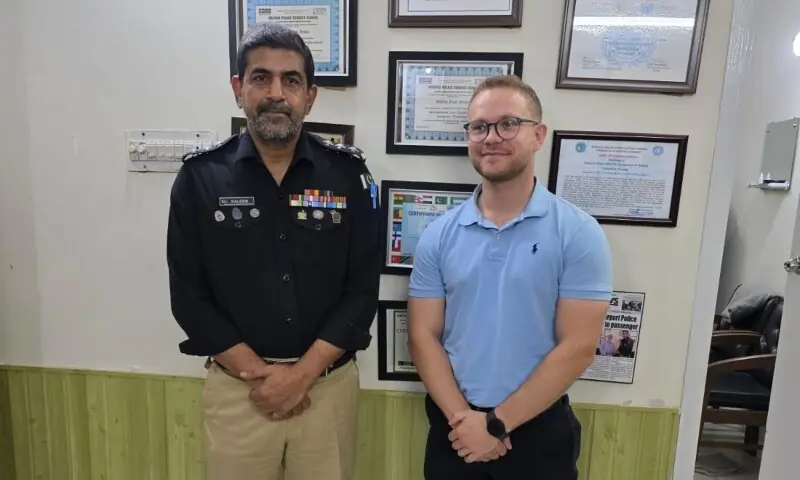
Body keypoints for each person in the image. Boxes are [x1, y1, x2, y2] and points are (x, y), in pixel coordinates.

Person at [166, 22, 381, 480]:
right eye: (261, 78)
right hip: (238, 390)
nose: (276, 93)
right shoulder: (200, 179)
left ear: (311, 95)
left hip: (327, 390)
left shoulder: (347, 176)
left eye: (291, 80)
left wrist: (300, 376)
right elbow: (189, 297)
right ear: (238, 88)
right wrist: (263, 379)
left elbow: (362, 291)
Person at [407, 75, 613, 480]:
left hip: (538, 431)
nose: (491, 137)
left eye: (508, 124)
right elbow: (422, 337)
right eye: (479, 127)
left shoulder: (578, 232)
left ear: (538, 135)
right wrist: (465, 422)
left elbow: (579, 347)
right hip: (456, 429)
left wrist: (497, 425)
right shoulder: (439, 233)